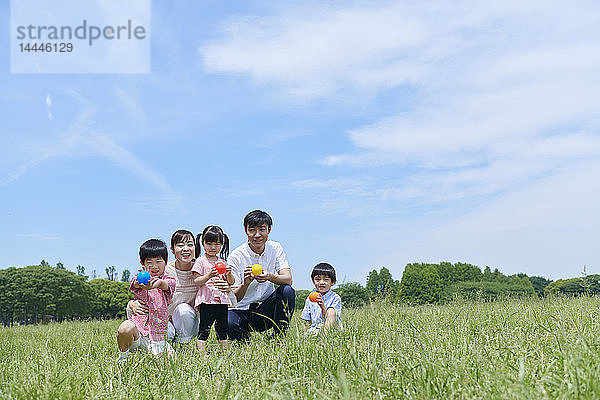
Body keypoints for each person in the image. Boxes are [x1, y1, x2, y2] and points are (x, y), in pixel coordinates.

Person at [227, 210, 295, 341]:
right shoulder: (236, 256)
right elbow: (234, 298)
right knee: (227, 321)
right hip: (242, 311)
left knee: (287, 290)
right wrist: (245, 284)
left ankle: (278, 338)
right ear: (246, 231)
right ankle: (244, 339)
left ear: (269, 230)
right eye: (252, 230)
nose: (257, 235)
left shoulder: (275, 248)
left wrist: (270, 276)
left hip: (265, 311)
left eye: (262, 229)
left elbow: (288, 279)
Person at [127, 230, 201, 344]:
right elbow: (144, 293)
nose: (186, 249)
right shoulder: (161, 269)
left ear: (195, 248)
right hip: (164, 322)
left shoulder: (200, 272)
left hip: (189, 324)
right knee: (134, 310)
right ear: (172, 250)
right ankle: (140, 342)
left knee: (183, 309)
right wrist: (131, 304)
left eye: (190, 245)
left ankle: (184, 344)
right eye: (180, 245)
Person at [117, 239, 176, 359]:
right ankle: (123, 357)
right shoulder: (139, 277)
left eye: (159, 261)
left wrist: (153, 285)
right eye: (149, 262)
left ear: (166, 262)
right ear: (142, 263)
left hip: (157, 338)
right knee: (125, 328)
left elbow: (163, 284)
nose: (154, 266)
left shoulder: (170, 280)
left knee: (171, 361)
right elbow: (134, 283)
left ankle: (152, 353)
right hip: (138, 333)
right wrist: (141, 283)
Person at [192, 225, 235, 353]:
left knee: (223, 329)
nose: (213, 247)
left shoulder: (222, 261)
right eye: (209, 243)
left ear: (221, 245)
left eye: (217, 244)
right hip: (207, 301)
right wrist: (209, 275)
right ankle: (202, 354)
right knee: (204, 328)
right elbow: (197, 281)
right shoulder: (200, 261)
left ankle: (224, 352)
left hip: (221, 301)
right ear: (203, 244)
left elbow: (231, 282)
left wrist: (229, 274)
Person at [300, 262, 343, 335]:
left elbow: (331, 317)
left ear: (332, 282)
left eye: (326, 279)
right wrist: (301, 334)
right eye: (317, 279)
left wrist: (323, 307)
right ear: (313, 281)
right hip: (315, 329)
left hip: (332, 330)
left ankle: (326, 339)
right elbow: (307, 321)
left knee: (331, 310)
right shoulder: (310, 298)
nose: (321, 282)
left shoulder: (335, 298)